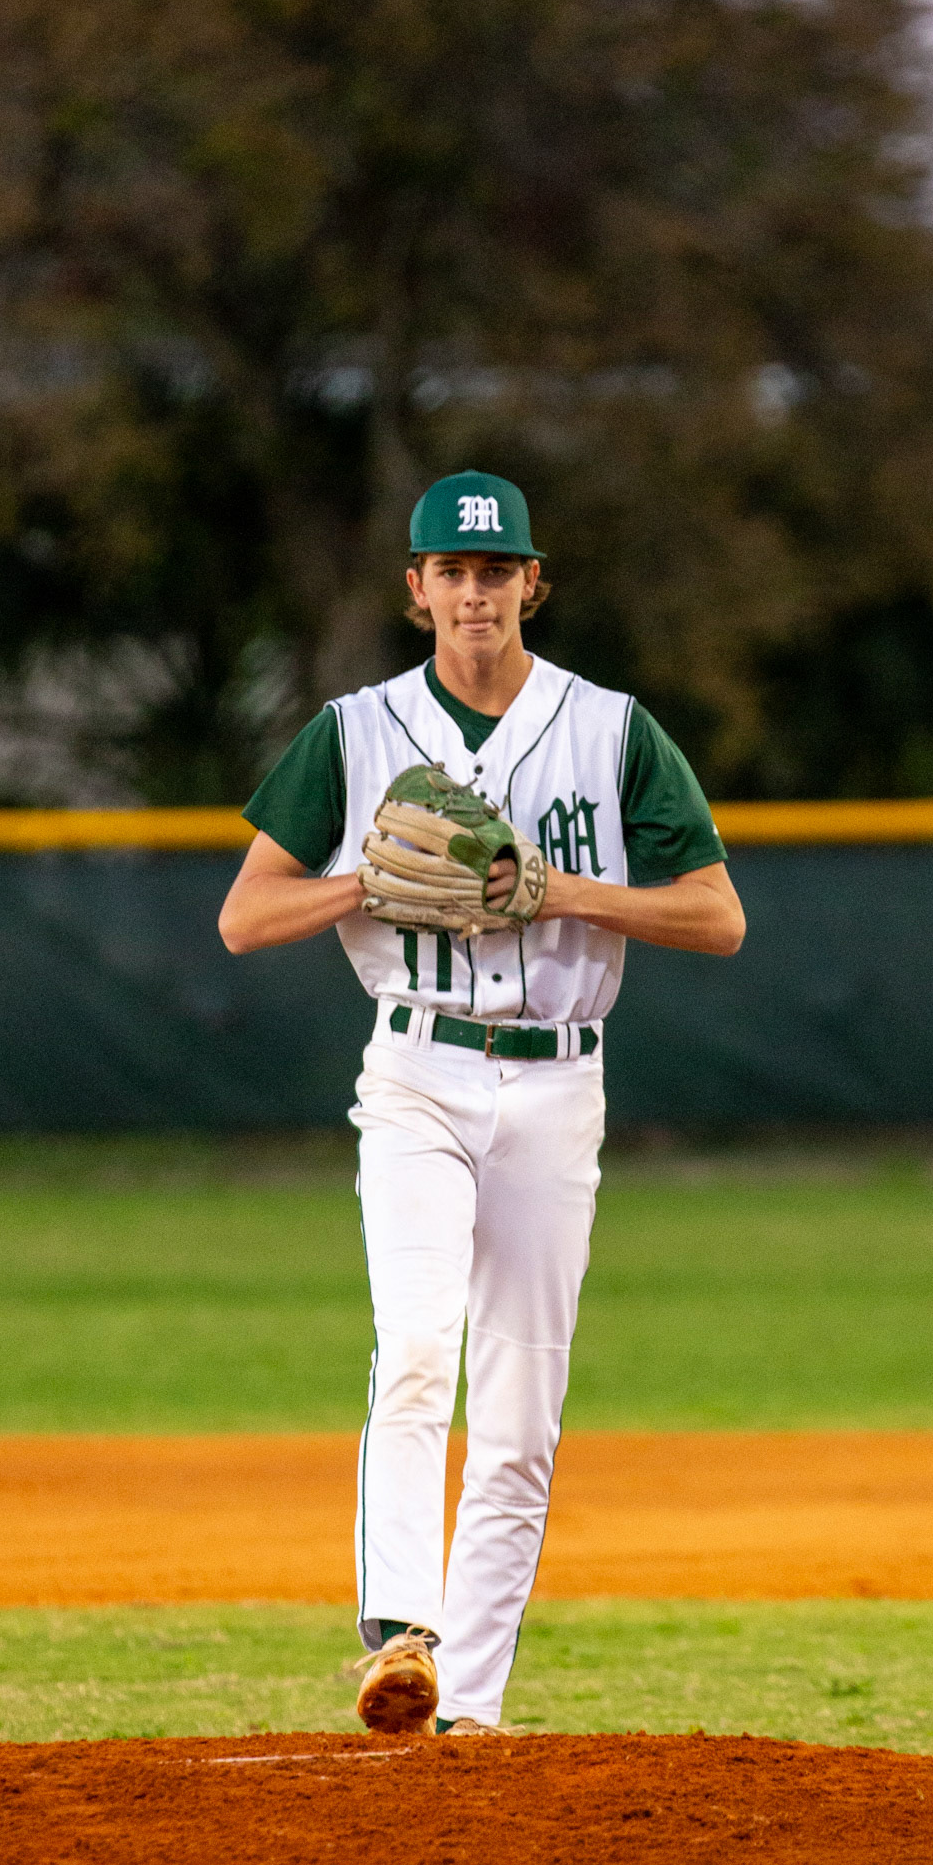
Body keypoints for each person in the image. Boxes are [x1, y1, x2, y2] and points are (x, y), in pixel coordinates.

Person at [219, 470, 744, 1736]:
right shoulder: (353, 732)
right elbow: (244, 915)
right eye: (451, 571)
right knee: (415, 1341)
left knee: (518, 1412)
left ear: (530, 583)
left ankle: (471, 1710)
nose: (474, 592)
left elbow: (717, 916)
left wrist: (562, 892)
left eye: (495, 569)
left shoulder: (610, 730)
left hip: (559, 1080)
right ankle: (401, 1630)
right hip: (416, 1071)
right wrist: (362, 884)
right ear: (416, 587)